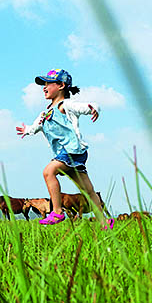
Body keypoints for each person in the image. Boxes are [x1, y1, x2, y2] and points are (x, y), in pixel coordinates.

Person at [15, 68, 112, 229]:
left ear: (61, 85)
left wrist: (93, 108)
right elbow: (35, 127)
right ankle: (104, 221)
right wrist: (27, 130)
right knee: (88, 190)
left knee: (48, 172)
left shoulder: (65, 105)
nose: (44, 87)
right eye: (43, 85)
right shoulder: (45, 113)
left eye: (48, 84)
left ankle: (58, 211)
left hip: (71, 151)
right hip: (70, 155)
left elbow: (84, 107)